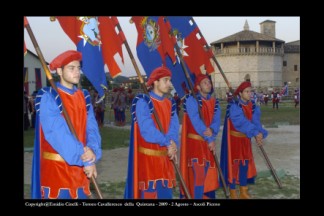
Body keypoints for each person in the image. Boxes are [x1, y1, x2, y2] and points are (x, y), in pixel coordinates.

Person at [31, 50, 102, 199]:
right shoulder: (49, 97)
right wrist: (85, 159)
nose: (77, 72)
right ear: (59, 71)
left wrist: (93, 152)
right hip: (57, 174)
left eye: (78, 68)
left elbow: (92, 129)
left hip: (81, 172)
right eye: (71, 68)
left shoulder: (84, 97)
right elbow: (58, 134)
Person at [124, 66, 179, 199]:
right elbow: (147, 130)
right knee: (149, 195)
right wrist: (167, 142)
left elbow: (174, 126)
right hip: (149, 162)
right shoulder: (143, 102)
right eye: (166, 80)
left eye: (170, 80)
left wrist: (172, 143)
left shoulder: (169, 103)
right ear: (155, 81)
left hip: (166, 159)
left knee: (166, 196)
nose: (169, 84)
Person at [220, 81, 268, 199]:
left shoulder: (253, 106)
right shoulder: (234, 106)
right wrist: (255, 132)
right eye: (247, 91)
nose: (249, 93)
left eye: (250, 91)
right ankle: (232, 191)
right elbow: (241, 122)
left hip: (245, 140)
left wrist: (260, 133)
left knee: (244, 164)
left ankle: (243, 190)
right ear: (240, 93)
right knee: (234, 165)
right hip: (234, 141)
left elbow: (255, 122)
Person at [180, 74, 221, 199]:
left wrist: (212, 130)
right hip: (196, 144)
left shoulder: (215, 102)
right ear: (198, 87)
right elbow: (196, 122)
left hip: (208, 144)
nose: (208, 85)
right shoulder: (192, 101)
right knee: (198, 176)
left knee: (206, 174)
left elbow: (217, 120)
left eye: (209, 82)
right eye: (205, 83)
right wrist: (209, 137)